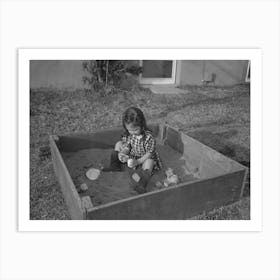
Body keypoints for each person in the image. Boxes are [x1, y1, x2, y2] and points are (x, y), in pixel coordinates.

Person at [103, 107, 162, 193]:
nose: (133, 132)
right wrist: (123, 153)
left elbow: (149, 153)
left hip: (144, 158)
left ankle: (142, 185)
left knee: (149, 162)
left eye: (136, 129)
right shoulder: (129, 134)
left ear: (142, 125)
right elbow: (128, 146)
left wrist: (138, 162)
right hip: (133, 155)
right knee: (118, 144)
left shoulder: (148, 137)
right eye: (130, 130)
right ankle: (115, 166)